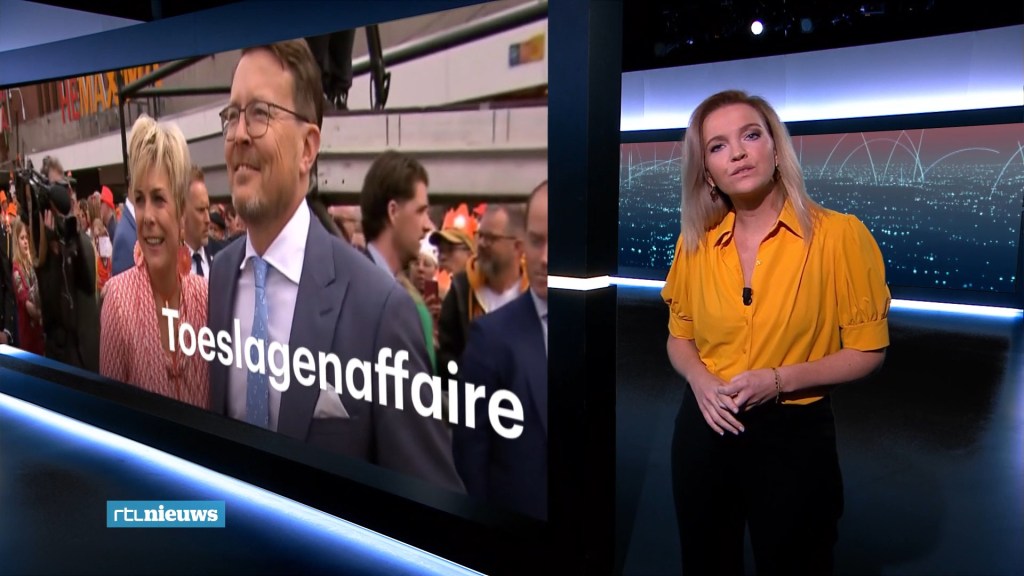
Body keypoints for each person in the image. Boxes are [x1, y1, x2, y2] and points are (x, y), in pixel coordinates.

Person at [208, 39, 463, 491]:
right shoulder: (222, 276)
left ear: (308, 148)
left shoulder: (380, 312)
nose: (239, 134)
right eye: (233, 115)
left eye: (260, 113)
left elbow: (432, 503)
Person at [661, 90, 890, 575]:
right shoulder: (695, 244)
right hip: (705, 427)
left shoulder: (839, 236)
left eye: (750, 135)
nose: (737, 153)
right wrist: (699, 381)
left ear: (775, 148)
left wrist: (778, 380)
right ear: (707, 172)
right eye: (718, 146)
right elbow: (679, 338)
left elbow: (868, 350)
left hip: (794, 438)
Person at [453, 181, 548, 520]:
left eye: (556, 240)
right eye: (537, 241)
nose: (545, 257)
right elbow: (470, 456)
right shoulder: (490, 338)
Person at [99, 115, 209, 409]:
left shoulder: (206, 299)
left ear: (181, 210)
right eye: (140, 199)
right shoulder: (119, 303)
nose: (147, 216)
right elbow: (110, 417)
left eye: (159, 199)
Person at [437, 203, 529, 385]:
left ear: (518, 247)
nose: (481, 244)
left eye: (491, 238)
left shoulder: (535, 293)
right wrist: (464, 378)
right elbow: (445, 354)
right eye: (480, 236)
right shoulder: (462, 290)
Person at [11, 218, 42, 355]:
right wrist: (42, 316)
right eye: (22, 238)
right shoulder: (16, 269)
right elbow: (26, 304)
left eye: (27, 238)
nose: (25, 242)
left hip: (39, 334)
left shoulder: (31, 263)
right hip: (28, 334)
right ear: (16, 241)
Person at [183, 166, 213, 278]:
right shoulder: (168, 264)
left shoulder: (221, 258)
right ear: (182, 212)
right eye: (201, 210)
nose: (208, 219)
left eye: (207, 209)